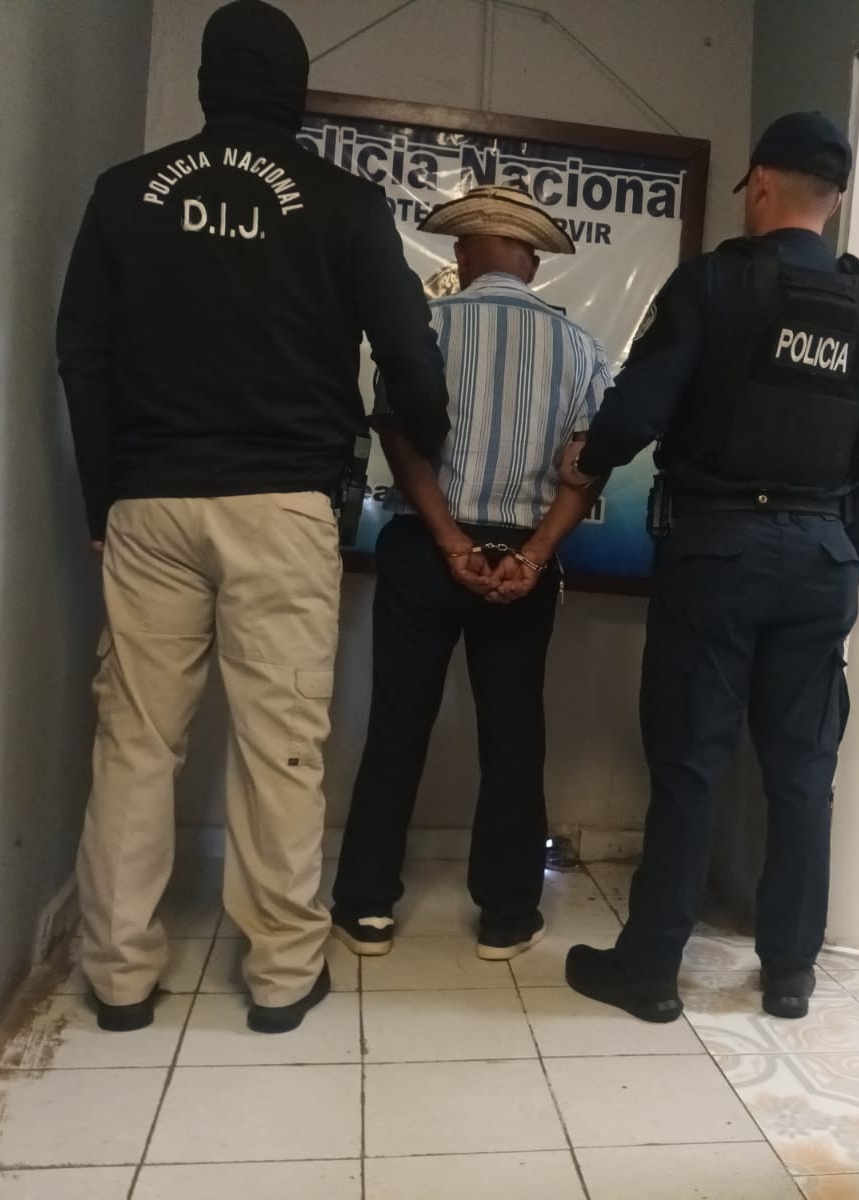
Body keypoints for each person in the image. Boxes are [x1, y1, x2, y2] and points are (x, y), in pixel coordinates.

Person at [56, 0, 449, 1035]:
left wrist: (103, 497)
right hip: (282, 507)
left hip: (150, 498)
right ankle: (279, 974)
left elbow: (81, 355)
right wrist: (431, 437)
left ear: (205, 85)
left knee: (136, 742)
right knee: (280, 745)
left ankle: (119, 976)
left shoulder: (123, 193)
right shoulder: (344, 204)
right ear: (296, 94)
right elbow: (409, 357)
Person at [559, 112, 859, 1022]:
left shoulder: (712, 284)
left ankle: (650, 971)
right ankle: (789, 972)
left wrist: (587, 458)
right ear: (835, 202)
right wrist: (842, 549)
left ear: (759, 184)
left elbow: (639, 408)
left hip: (716, 551)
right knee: (802, 771)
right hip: (822, 556)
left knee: (691, 763)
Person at [332, 186, 613, 962]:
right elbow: (585, 468)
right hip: (524, 556)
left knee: (398, 722)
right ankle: (508, 915)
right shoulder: (580, 347)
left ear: (460, 255)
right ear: (532, 262)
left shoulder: (423, 329)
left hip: (427, 546)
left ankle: (366, 906)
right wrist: (534, 555)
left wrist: (452, 542)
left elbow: (399, 441)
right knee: (514, 731)